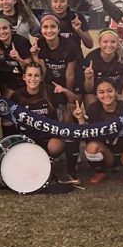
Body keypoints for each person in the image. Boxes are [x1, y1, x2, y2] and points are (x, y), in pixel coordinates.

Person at [32, 13, 83, 181]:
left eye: (52, 27)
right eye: (45, 27)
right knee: (50, 117)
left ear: (59, 29)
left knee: (69, 118)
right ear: (41, 29)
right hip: (50, 86)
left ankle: (72, 165)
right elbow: (43, 71)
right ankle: (52, 152)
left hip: (69, 85)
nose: (49, 30)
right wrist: (34, 57)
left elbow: (70, 74)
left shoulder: (69, 46)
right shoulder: (39, 44)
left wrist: (69, 97)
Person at [8, 62, 75, 184]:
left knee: (56, 145)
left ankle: (67, 167)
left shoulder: (49, 91)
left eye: (36, 75)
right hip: (28, 140)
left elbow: (73, 100)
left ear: (41, 77)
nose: (32, 79)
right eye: (29, 75)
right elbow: (6, 114)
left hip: (49, 139)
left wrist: (65, 90)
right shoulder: (17, 95)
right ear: (24, 77)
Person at [72, 80, 123, 185]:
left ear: (116, 92)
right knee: (91, 147)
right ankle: (101, 172)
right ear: (96, 96)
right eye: (101, 92)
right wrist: (80, 119)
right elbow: (86, 133)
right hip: (107, 152)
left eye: (109, 91)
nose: (106, 95)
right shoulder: (94, 109)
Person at [81, 29, 123, 105]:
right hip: (96, 93)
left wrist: (122, 101)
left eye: (113, 42)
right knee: (90, 100)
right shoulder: (91, 58)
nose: (109, 45)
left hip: (116, 92)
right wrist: (89, 78)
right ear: (99, 43)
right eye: (105, 42)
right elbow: (88, 89)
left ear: (118, 43)